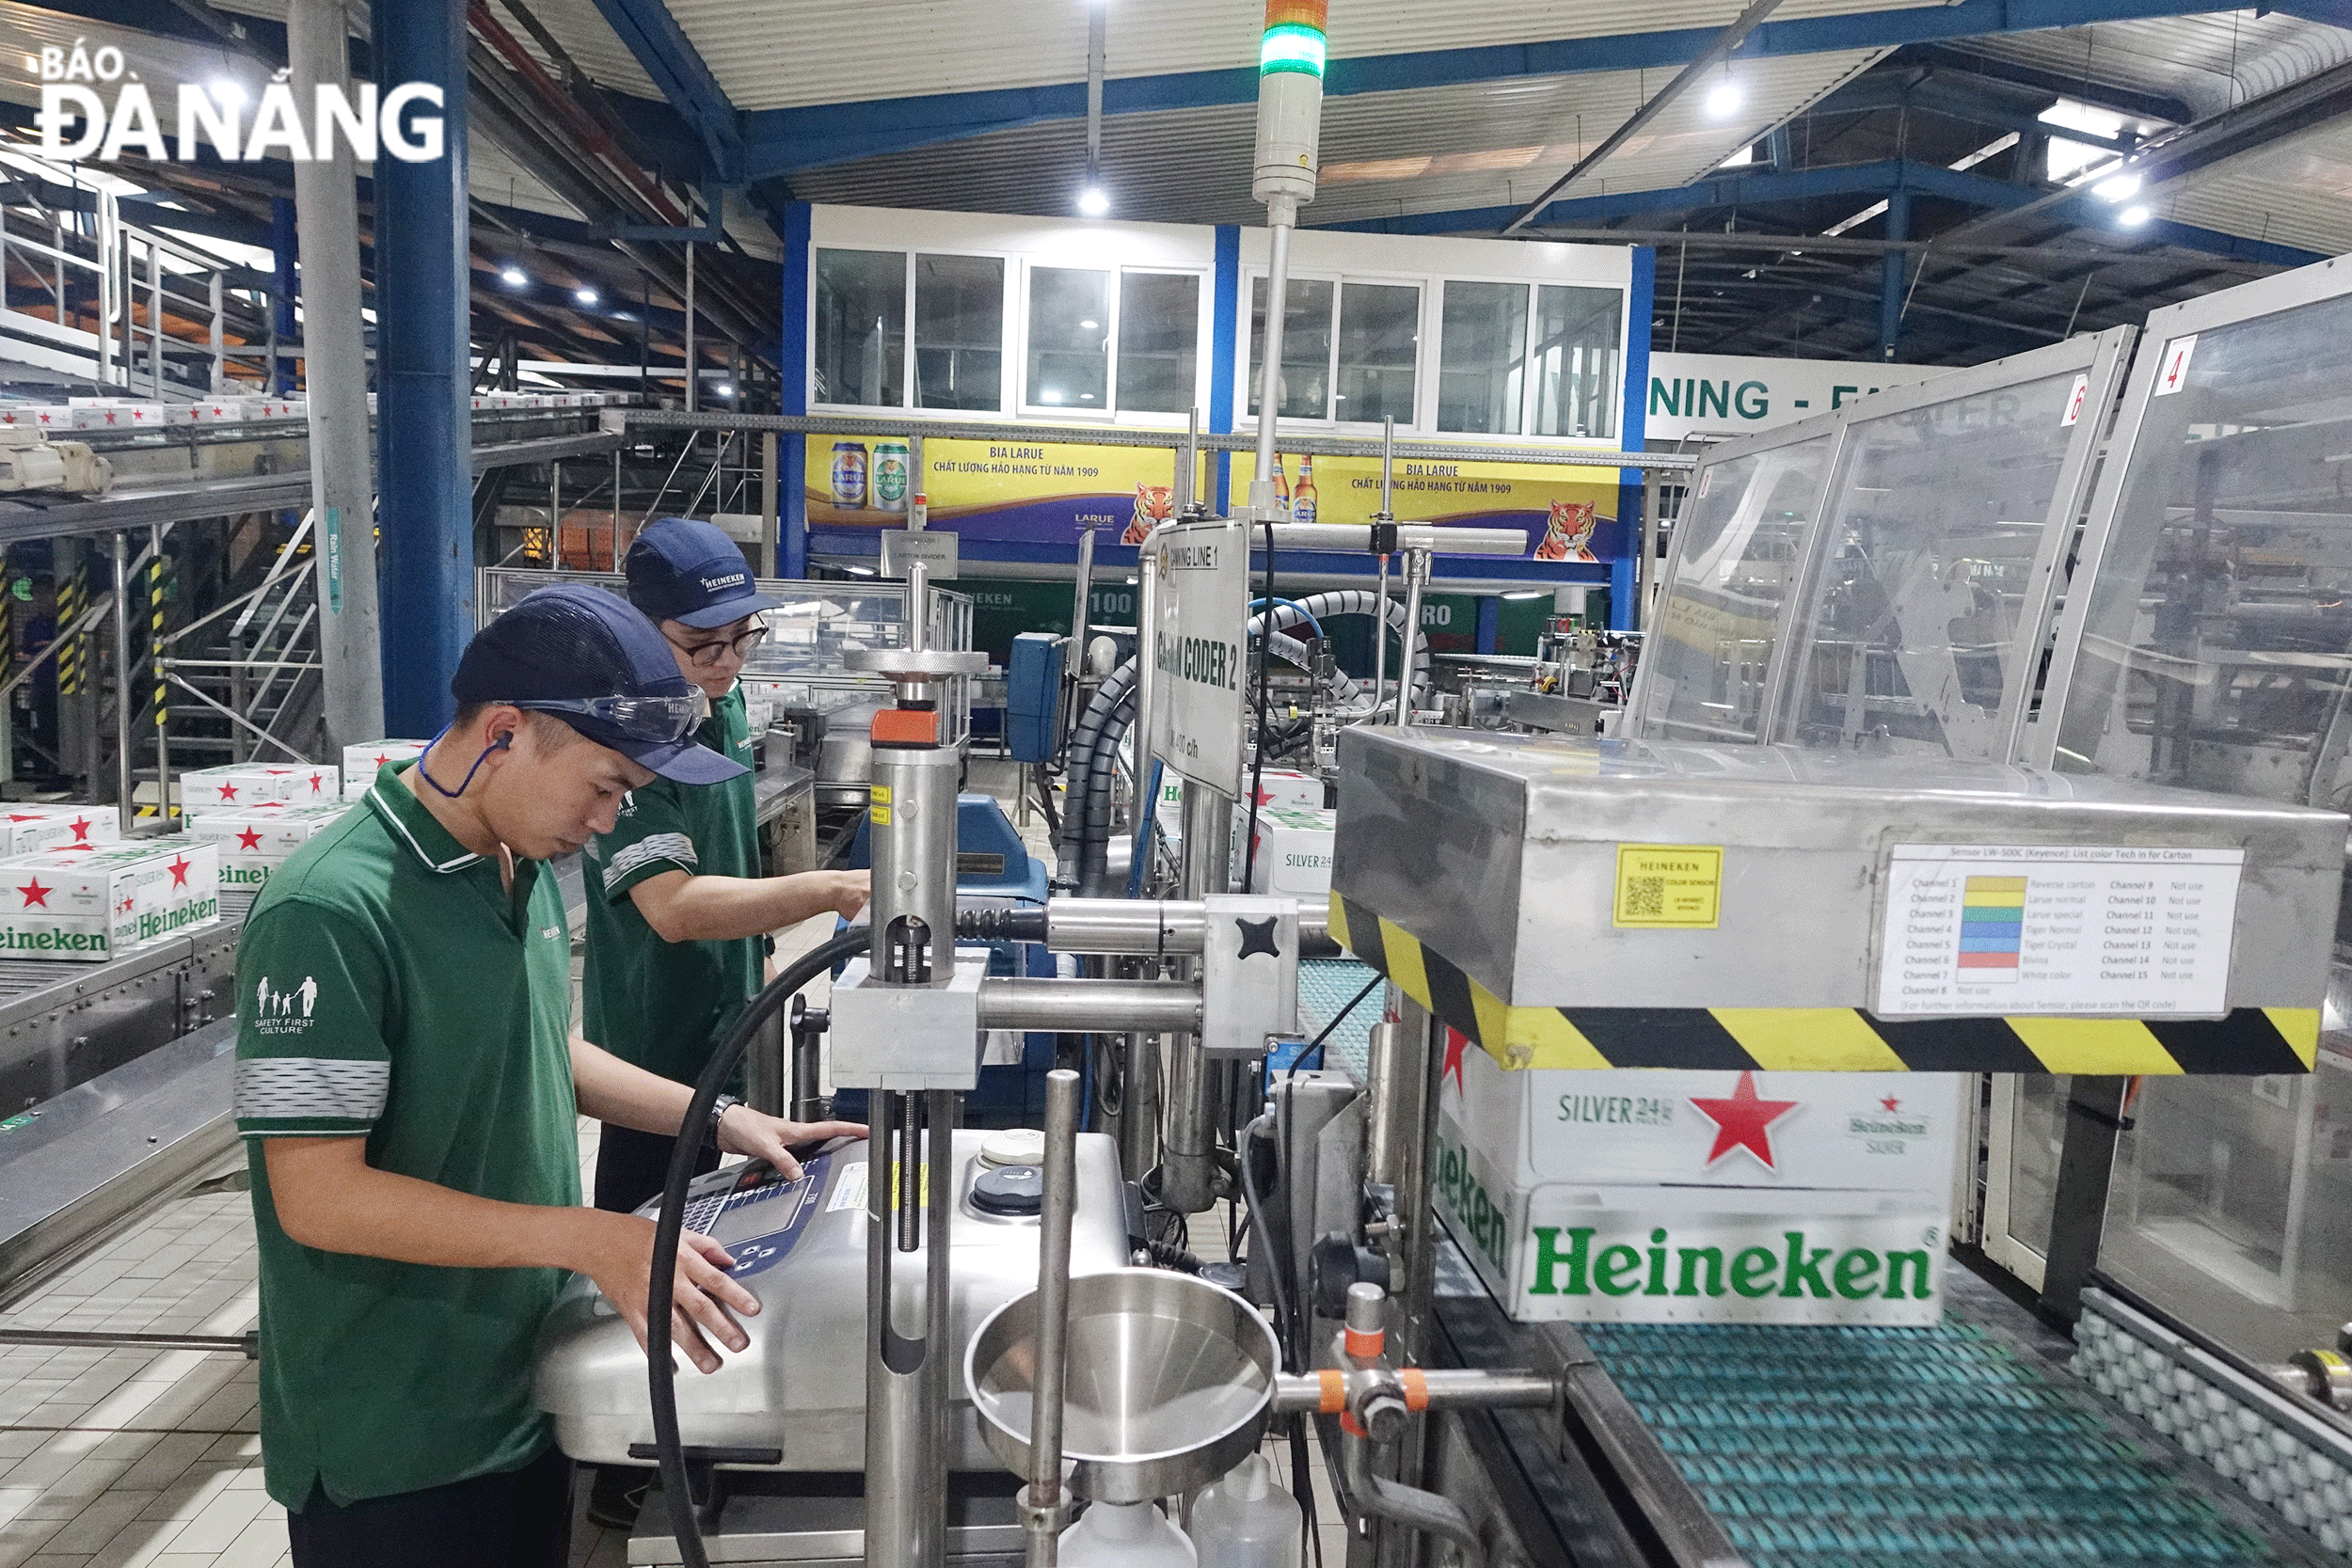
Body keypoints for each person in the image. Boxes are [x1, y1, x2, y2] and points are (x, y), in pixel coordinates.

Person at [232, 583, 864, 1568]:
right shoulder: (329, 909)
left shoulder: (507, 865)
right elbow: (317, 1194)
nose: (610, 819)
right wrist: (589, 1235)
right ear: (503, 732)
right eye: (603, 784)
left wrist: (727, 1119)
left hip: (518, 1381)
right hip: (395, 1428)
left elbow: (533, 1044)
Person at [580, 517, 868, 1527]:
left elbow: (722, 864)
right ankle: (619, 1455)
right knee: (645, 1243)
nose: (729, 659)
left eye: (744, 635)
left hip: (725, 1018)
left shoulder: (723, 697)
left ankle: (703, 1421)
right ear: (638, 627)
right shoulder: (634, 735)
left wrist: (763, 942)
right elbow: (671, 902)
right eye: (704, 642)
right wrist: (823, 888)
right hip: (651, 1046)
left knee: (721, 1236)